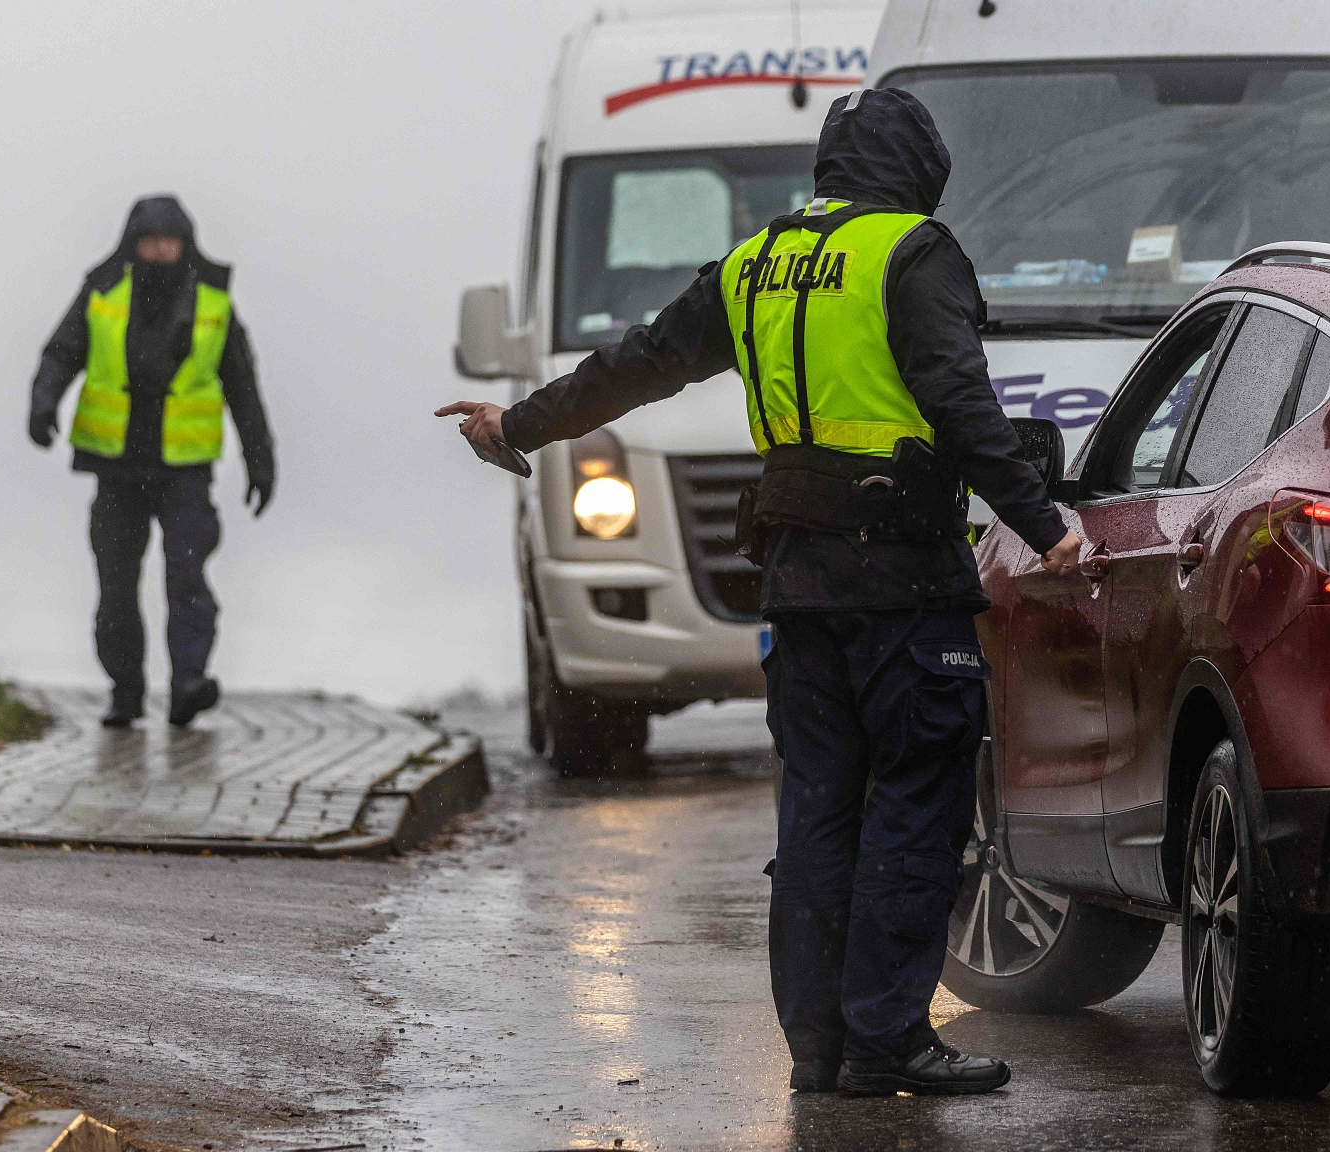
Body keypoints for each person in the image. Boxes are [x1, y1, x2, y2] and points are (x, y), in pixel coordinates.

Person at [438, 90, 1081, 1096]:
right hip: (901, 582)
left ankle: (816, 1051)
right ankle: (887, 1042)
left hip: (793, 584)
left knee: (816, 816)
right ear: (917, 169)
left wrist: (516, 426)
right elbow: (960, 403)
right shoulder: (912, 252)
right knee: (913, 806)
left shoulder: (756, 262)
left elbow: (640, 365)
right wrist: (1046, 526)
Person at [28, 195, 276, 729]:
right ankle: (125, 690)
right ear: (133, 243)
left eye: (171, 240)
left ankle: (188, 683)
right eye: (151, 239)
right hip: (115, 469)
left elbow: (242, 384)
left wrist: (261, 461)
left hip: (184, 471)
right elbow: (62, 351)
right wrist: (42, 402)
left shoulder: (214, 301)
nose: (161, 249)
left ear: (186, 244)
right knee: (116, 586)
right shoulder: (103, 290)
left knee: (186, 579)